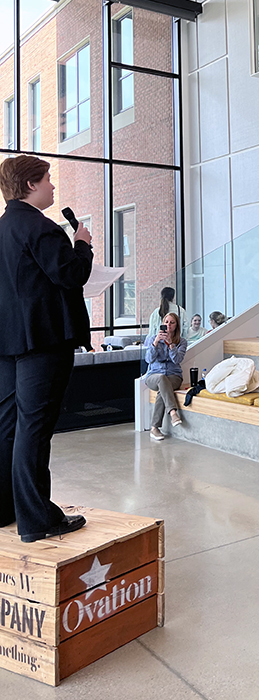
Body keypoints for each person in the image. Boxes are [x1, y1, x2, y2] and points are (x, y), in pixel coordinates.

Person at [0, 155, 92, 542]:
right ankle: (38, 520)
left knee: (8, 427)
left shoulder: (3, 227)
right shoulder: (41, 227)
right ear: (30, 185)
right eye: (48, 180)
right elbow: (71, 275)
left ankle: (6, 508)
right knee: (34, 428)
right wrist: (83, 246)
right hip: (44, 341)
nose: (53, 187)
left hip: (7, 342)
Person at [144, 312, 187, 441]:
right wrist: (156, 343)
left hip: (174, 376)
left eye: (172, 323)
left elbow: (177, 360)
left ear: (176, 326)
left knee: (162, 389)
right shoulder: (153, 339)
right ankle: (173, 413)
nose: (168, 325)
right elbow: (149, 359)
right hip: (153, 376)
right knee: (161, 379)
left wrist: (171, 345)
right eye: (166, 322)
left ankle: (154, 428)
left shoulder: (182, 342)